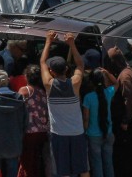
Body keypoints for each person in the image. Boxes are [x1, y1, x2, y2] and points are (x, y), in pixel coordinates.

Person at [40, 31, 89, 177]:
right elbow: (80, 64)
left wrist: (48, 41)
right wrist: (72, 43)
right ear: (67, 69)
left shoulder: (49, 85)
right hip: (77, 132)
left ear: (51, 71)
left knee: (63, 171)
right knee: (83, 169)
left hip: (59, 135)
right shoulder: (75, 83)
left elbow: (42, 62)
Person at [104, 46, 132, 175]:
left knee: (125, 156)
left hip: (127, 126)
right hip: (130, 123)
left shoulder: (125, 77)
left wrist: (125, 121)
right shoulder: (129, 71)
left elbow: (130, 101)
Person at [17, 64, 50, 177]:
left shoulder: (25, 90)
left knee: (27, 163)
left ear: (26, 77)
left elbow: (17, 108)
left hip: (29, 133)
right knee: (37, 162)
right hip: (43, 132)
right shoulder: (43, 92)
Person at [82, 68, 115, 177]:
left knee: (97, 164)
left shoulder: (88, 98)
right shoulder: (109, 92)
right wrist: (107, 72)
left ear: (91, 82)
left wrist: (84, 130)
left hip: (93, 135)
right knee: (108, 163)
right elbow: (117, 83)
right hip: (108, 133)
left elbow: (86, 118)